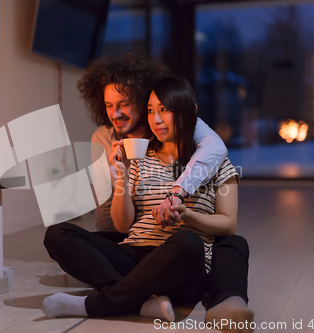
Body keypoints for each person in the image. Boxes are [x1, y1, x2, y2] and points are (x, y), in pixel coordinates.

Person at [43, 76, 253, 332]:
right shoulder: (140, 157)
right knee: (57, 233)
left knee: (187, 241)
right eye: (152, 111)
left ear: (189, 111)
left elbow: (228, 223)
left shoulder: (218, 163)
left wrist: (186, 215)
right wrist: (122, 175)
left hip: (183, 265)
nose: (156, 119)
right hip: (135, 255)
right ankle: (140, 301)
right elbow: (122, 225)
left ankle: (99, 304)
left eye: (165, 110)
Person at [79, 55, 228, 241]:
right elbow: (104, 204)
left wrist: (177, 194)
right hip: (126, 232)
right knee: (64, 236)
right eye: (109, 105)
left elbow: (215, 147)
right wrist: (108, 246)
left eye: (124, 104)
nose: (115, 114)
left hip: (168, 231)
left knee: (228, 245)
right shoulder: (101, 137)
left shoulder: (167, 128)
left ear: (143, 102)